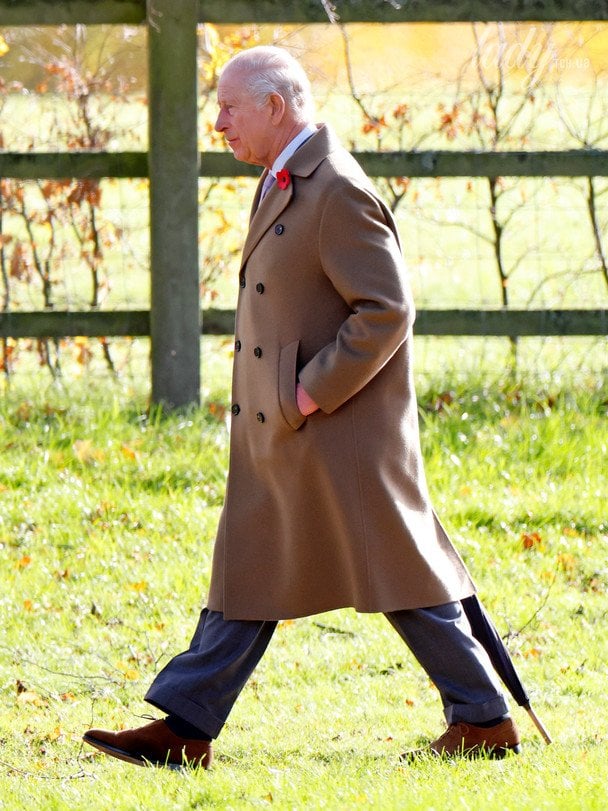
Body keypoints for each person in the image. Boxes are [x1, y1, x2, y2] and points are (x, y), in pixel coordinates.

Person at [83, 46, 520, 770]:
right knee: (251, 569)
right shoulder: (283, 180)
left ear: (275, 107)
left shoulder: (336, 188)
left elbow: (387, 308)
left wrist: (306, 391)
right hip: (287, 429)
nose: (218, 122)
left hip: (335, 431)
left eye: (229, 107)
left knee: (400, 573)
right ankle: (185, 725)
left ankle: (482, 717)